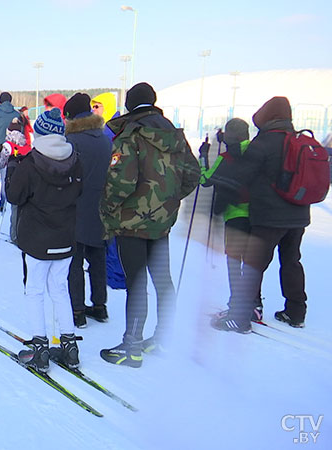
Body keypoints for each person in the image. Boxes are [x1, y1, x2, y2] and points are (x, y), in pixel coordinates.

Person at [99, 82, 200, 367]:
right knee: (163, 280)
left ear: (130, 104)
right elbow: (193, 174)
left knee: (136, 282)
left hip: (131, 222)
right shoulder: (174, 134)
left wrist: (106, 209)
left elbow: (122, 181)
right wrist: (166, 200)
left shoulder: (130, 133)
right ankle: (164, 338)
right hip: (161, 221)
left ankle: (131, 346)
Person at [212, 97, 310, 331]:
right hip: (298, 216)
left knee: (254, 266)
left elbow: (240, 178)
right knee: (292, 262)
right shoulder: (298, 140)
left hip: (268, 217)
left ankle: (241, 316)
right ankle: (296, 312)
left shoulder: (263, 143)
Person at [6, 107, 83, 372]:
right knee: (60, 289)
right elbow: (79, 190)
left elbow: (14, 196)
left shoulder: (31, 162)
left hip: (37, 238)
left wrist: (13, 167)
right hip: (66, 236)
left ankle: (40, 348)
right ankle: (70, 347)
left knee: (35, 290)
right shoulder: (75, 159)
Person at [201, 119, 263, 324]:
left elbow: (206, 179)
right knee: (251, 263)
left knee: (234, 263)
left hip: (235, 216)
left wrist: (203, 156)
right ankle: (253, 305)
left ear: (230, 137)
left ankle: (236, 310)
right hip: (258, 215)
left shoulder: (226, 157)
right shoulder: (257, 152)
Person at [63, 93, 113, 328]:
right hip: (100, 205)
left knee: (75, 260)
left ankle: (78, 310)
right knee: (97, 257)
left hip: (76, 205)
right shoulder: (104, 139)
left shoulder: (72, 141)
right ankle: (100, 306)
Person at [92, 92, 126, 292]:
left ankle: (116, 276)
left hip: (113, 188)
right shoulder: (104, 128)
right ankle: (108, 271)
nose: (93, 110)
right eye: (93, 107)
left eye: (97, 107)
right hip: (104, 187)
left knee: (112, 235)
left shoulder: (113, 130)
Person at [0, 119, 31, 242]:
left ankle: (14, 236)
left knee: (14, 208)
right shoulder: (26, 144)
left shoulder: (8, 145)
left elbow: (1, 163)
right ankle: (22, 233)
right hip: (26, 177)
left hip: (12, 177)